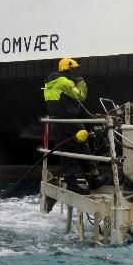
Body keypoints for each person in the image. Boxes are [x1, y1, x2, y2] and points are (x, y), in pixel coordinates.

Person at [44, 57, 101, 195]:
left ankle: (93, 178)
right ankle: (73, 183)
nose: (76, 72)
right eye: (74, 69)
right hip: (68, 122)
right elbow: (81, 96)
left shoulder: (50, 83)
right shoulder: (63, 81)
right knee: (72, 151)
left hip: (58, 123)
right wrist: (81, 82)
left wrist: (91, 117)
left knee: (79, 147)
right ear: (67, 69)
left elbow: (66, 103)